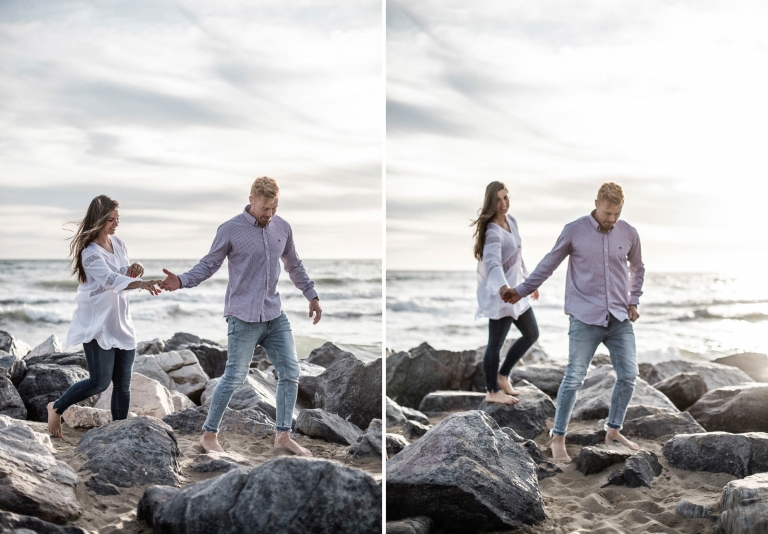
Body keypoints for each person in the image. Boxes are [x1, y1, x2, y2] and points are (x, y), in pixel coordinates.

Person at [159, 177, 322, 457]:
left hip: (274, 314)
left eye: (274, 208)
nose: (269, 214)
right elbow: (209, 264)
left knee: (290, 373)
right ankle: (209, 435)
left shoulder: (282, 227)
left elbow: (293, 264)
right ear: (251, 199)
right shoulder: (230, 229)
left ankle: (283, 435)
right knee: (234, 376)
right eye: (264, 208)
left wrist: (312, 295)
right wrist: (182, 281)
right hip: (243, 316)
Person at [506, 182, 645, 462]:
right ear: (596, 203)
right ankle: (558, 437)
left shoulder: (629, 232)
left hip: (619, 317)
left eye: (616, 214)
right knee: (573, 378)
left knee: (629, 375)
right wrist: (521, 290)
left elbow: (637, 267)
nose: (611, 219)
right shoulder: (574, 230)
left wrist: (633, 300)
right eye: (607, 213)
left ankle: (613, 430)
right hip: (585, 317)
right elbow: (549, 263)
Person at [47, 195, 162, 438]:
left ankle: (118, 433)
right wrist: (143, 282)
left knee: (122, 383)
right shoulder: (90, 254)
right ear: (98, 220)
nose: (115, 223)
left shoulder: (119, 244)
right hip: (97, 324)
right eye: (110, 219)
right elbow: (111, 281)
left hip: (121, 321)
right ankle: (56, 408)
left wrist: (135, 269)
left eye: (118, 219)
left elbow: (121, 274)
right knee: (99, 382)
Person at [472, 182, 540, 406]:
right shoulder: (492, 231)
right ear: (491, 202)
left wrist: (529, 282)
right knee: (495, 344)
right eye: (499, 200)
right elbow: (493, 264)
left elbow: (518, 256)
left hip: (516, 293)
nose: (504, 203)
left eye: (506, 198)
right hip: (501, 294)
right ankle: (491, 390)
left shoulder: (512, 221)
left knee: (531, 333)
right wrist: (503, 288)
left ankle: (503, 376)